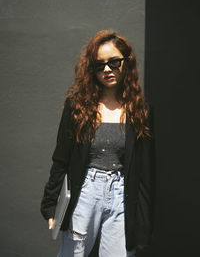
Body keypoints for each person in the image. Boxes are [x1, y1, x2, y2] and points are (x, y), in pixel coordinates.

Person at [40, 30, 155, 257]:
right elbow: (61, 158)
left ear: (126, 62)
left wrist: (144, 220)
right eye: (99, 65)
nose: (107, 70)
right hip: (84, 192)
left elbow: (146, 172)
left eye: (114, 62)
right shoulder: (78, 107)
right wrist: (50, 203)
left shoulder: (141, 111)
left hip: (123, 196)